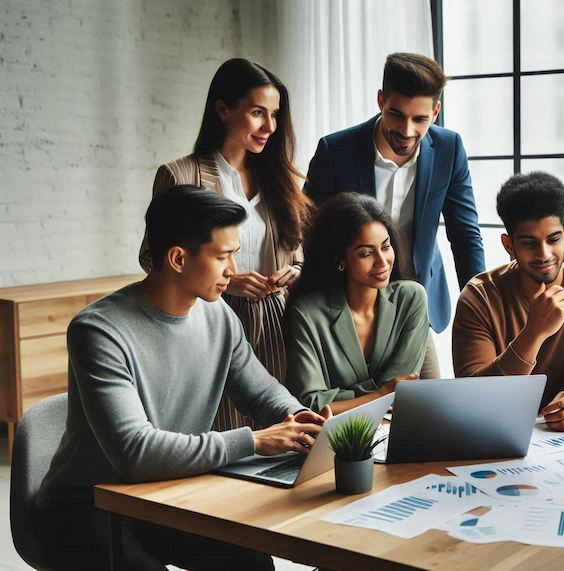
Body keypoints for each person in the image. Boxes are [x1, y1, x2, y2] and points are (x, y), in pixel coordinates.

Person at [39, 187, 330, 570]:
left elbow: (260, 392)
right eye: (223, 256)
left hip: (167, 492)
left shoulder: (218, 316)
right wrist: (255, 441)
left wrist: (300, 420)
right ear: (178, 258)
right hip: (88, 504)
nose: (233, 269)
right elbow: (135, 453)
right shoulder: (99, 331)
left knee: (253, 565)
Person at [139, 58, 311, 431]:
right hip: (210, 320)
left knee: (283, 427)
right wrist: (226, 280)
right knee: (222, 438)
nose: (270, 126)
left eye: (275, 114)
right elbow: (152, 256)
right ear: (223, 110)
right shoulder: (180, 175)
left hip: (278, 324)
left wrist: (294, 271)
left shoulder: (282, 178)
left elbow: (298, 253)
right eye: (257, 113)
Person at [303, 52, 485, 376]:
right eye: (396, 115)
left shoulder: (449, 149)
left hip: (414, 304)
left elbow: (465, 235)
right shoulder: (336, 151)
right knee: (358, 413)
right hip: (348, 303)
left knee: (428, 410)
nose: (406, 130)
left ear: (436, 111)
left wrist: (483, 306)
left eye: (420, 119)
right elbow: (307, 231)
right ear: (380, 100)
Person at [452, 172, 564, 431]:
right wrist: (534, 333)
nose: (544, 254)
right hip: (490, 429)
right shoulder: (478, 297)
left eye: (553, 239)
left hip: (558, 437)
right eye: (530, 243)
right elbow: (476, 396)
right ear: (509, 245)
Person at [285, 193, 428, 414]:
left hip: (395, 426)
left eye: (386, 247)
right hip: (331, 437)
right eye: (366, 253)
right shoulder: (307, 312)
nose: (382, 262)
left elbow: (401, 390)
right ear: (340, 260)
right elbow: (309, 404)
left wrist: (339, 396)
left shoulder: (411, 299)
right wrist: (379, 394)